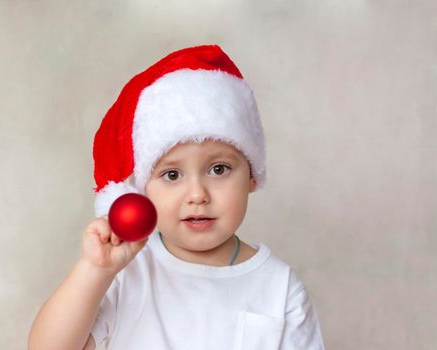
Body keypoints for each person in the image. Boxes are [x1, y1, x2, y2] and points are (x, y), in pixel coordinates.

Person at [28, 44, 326, 350]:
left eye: (219, 169)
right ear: (142, 191)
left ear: (252, 175)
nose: (197, 195)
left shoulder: (280, 288)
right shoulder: (126, 273)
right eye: (172, 175)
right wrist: (95, 270)